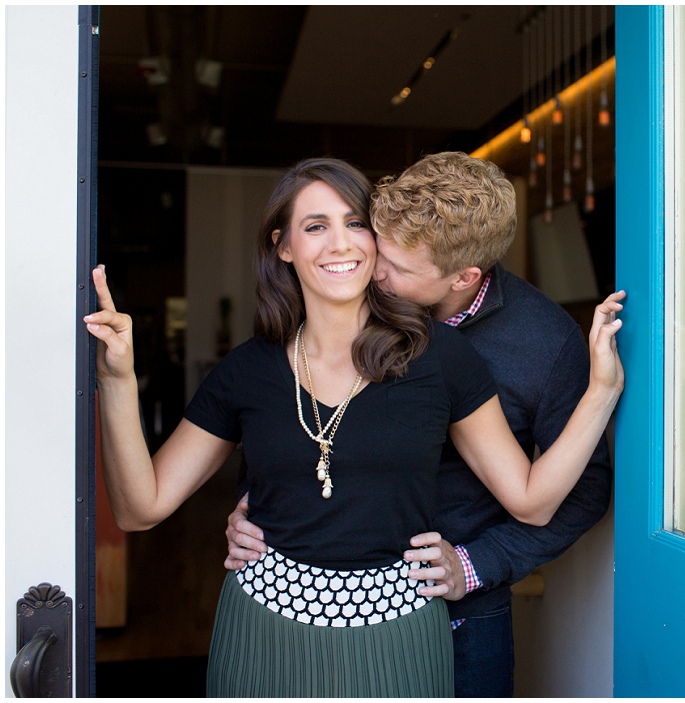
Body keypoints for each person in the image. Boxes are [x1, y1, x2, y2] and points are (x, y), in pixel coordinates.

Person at [84, 157, 625, 698]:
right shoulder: (249, 368)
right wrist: (118, 380)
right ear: (283, 245)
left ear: (462, 278)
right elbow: (145, 505)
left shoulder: (467, 354)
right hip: (267, 619)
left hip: (425, 615)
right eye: (317, 226)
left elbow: (549, 496)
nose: (352, 252)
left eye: (355, 225)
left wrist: (602, 389)